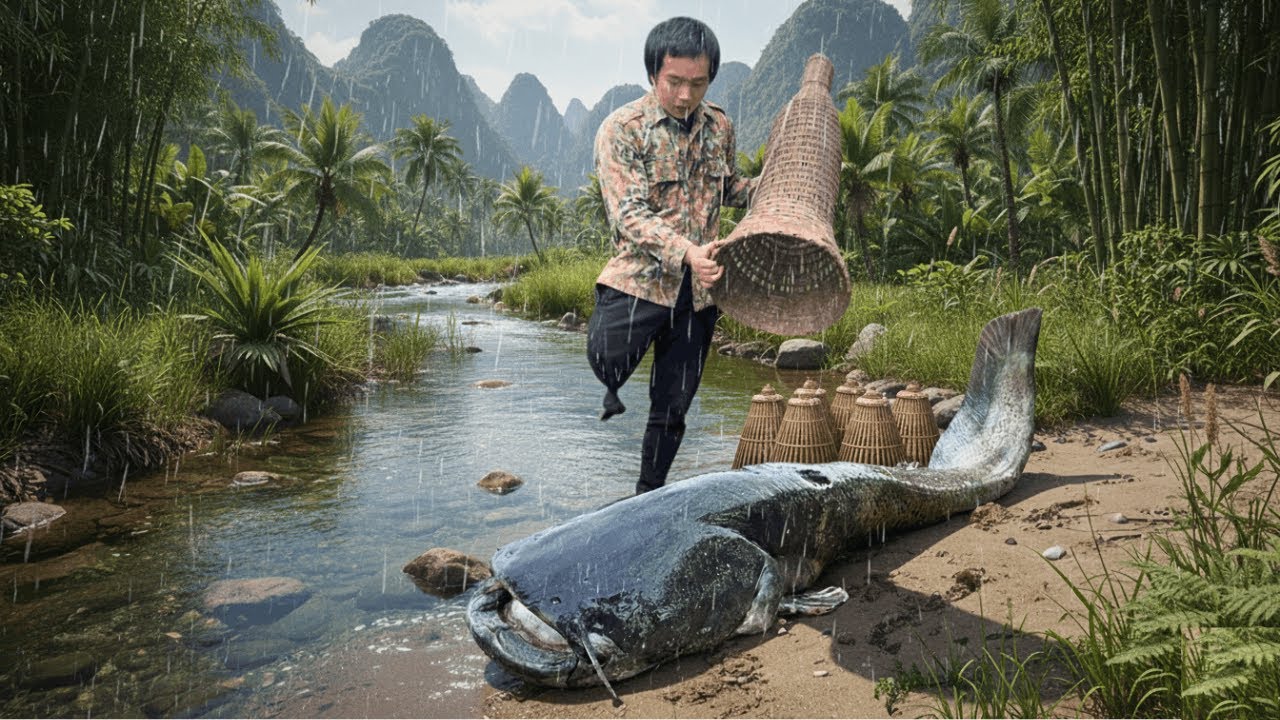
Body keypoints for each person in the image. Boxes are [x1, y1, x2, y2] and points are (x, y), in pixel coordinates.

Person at [587, 16, 755, 495]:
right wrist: (685, 252)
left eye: (697, 83)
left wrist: (774, 185)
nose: (685, 95)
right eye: (674, 82)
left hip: (699, 291)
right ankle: (611, 391)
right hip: (640, 280)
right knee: (605, 356)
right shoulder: (623, 130)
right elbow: (629, 213)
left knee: (674, 404)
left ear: (711, 78)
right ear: (652, 74)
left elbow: (728, 187)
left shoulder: (719, 125)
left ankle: (647, 493)